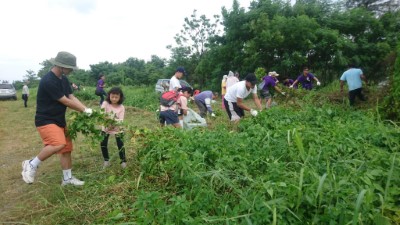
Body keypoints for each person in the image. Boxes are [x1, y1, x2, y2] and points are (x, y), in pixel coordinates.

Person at [21, 51, 93, 186]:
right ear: (61, 66)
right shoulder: (48, 80)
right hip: (46, 120)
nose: (72, 70)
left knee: (66, 149)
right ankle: (31, 164)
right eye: (70, 67)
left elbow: (71, 97)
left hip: (59, 119)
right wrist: (83, 110)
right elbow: (65, 100)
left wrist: (85, 108)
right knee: (58, 144)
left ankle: (67, 179)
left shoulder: (63, 79)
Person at [100, 87, 127, 169]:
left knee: (120, 145)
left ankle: (123, 161)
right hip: (106, 127)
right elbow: (102, 115)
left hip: (118, 128)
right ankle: (106, 161)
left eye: (116, 97)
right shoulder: (105, 103)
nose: (114, 99)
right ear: (109, 96)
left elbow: (121, 120)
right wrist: (108, 123)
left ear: (120, 97)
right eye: (112, 97)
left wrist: (113, 123)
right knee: (103, 143)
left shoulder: (121, 107)